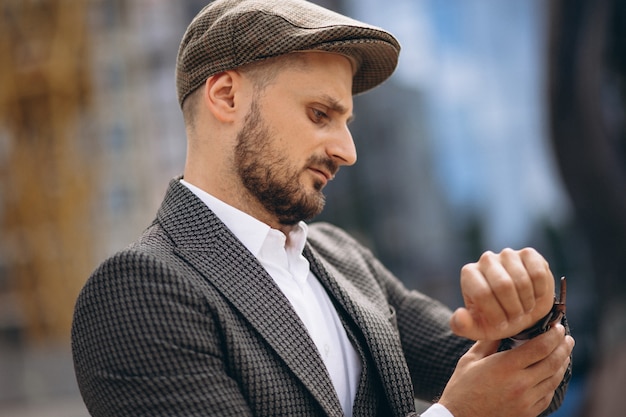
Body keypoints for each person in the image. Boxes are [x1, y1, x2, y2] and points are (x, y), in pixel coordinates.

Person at [71, 1, 574, 416]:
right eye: (320, 114)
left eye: (347, 121)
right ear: (226, 96)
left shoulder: (343, 258)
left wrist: (528, 312)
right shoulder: (138, 291)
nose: (347, 151)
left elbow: (529, 388)